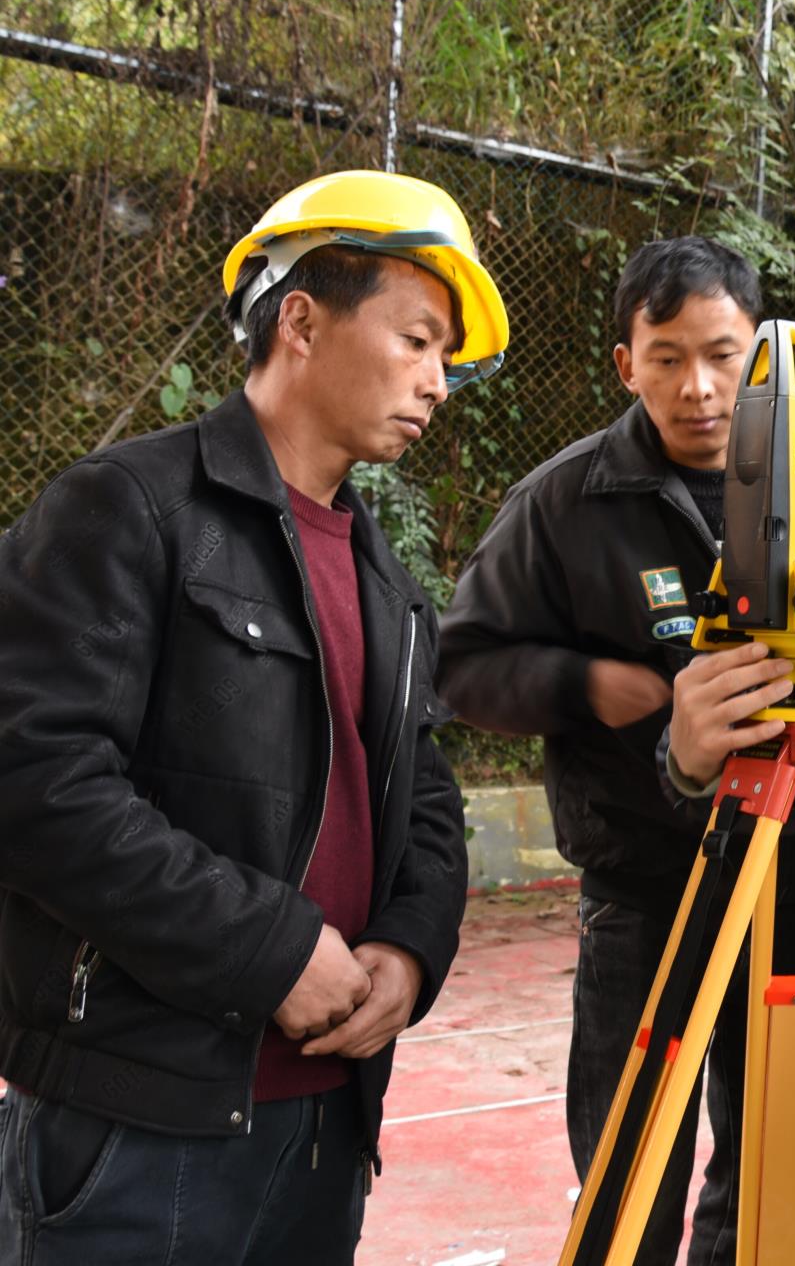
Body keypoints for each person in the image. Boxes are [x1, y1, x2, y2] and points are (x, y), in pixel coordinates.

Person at [0, 169, 502, 1263]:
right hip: (142, 1124)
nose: (438, 382)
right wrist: (270, 950)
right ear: (303, 321)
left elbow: (422, 800)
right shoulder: (129, 509)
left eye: (445, 357)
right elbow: (36, 782)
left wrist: (408, 957)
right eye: (417, 339)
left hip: (325, 1126)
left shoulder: (386, 581)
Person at [437, 236, 795, 1262]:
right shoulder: (564, 502)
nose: (697, 387)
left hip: (788, 888)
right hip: (642, 894)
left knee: (762, 1171)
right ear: (625, 364)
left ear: (765, 357)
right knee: (628, 1168)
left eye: (721, 353)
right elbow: (461, 666)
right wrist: (584, 687)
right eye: (665, 358)